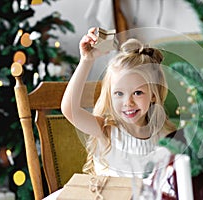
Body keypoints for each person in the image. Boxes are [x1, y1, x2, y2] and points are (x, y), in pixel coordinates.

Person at [61, 27, 177, 178]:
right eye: (119, 93)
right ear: (110, 95)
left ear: (153, 95)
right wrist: (86, 60)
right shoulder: (106, 130)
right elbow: (70, 109)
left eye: (137, 93)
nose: (128, 102)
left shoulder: (163, 135)